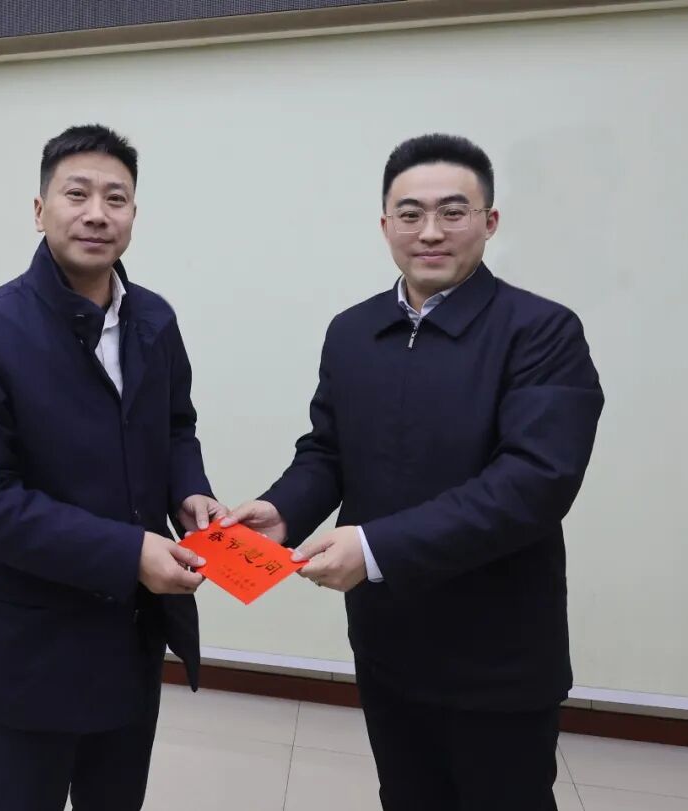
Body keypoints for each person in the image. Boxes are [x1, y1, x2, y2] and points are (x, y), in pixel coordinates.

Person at [224, 134, 604, 810]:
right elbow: (328, 450)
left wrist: (374, 548)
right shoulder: (352, 331)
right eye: (410, 213)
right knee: (406, 794)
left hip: (499, 649)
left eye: (453, 212)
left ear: (489, 221)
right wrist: (283, 511)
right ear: (385, 226)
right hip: (388, 638)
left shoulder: (541, 331)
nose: (430, 231)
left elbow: (533, 485)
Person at [0, 124, 225, 811]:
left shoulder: (155, 320)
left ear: (134, 214)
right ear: (40, 210)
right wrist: (130, 553)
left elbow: (175, 426)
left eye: (115, 198)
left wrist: (190, 492)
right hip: (31, 642)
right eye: (77, 194)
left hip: (131, 636)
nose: (97, 213)